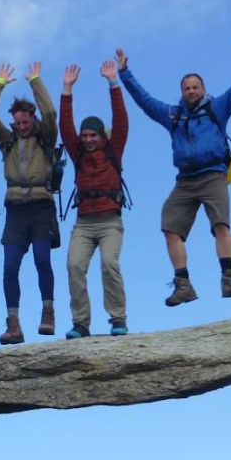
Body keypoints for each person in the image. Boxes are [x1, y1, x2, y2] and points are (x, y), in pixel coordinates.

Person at [117, 29, 231, 305]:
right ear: (182, 92)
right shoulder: (173, 115)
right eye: (187, 87)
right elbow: (145, 102)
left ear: (203, 89)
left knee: (221, 224)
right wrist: (125, 73)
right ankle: (183, 284)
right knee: (169, 227)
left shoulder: (218, 107)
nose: (191, 90)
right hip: (185, 180)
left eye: (196, 86)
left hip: (213, 176)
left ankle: (228, 278)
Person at [0, 61, 60, 344]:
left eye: (26, 121)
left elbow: (50, 112)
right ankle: (13, 323)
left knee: (42, 259)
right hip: (15, 209)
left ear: (33, 118)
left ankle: (48, 313)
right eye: (18, 122)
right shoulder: (7, 141)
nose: (22, 126)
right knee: (10, 266)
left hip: (41, 206)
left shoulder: (46, 138)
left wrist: (35, 80)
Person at [59, 59, 130, 339]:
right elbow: (65, 125)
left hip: (110, 222)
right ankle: (81, 323)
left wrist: (113, 83)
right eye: (85, 135)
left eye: (93, 135)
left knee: (109, 265)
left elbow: (120, 119)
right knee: (74, 266)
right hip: (84, 224)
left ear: (101, 136)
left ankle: (118, 319)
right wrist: (67, 89)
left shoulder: (114, 149)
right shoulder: (77, 153)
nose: (88, 140)